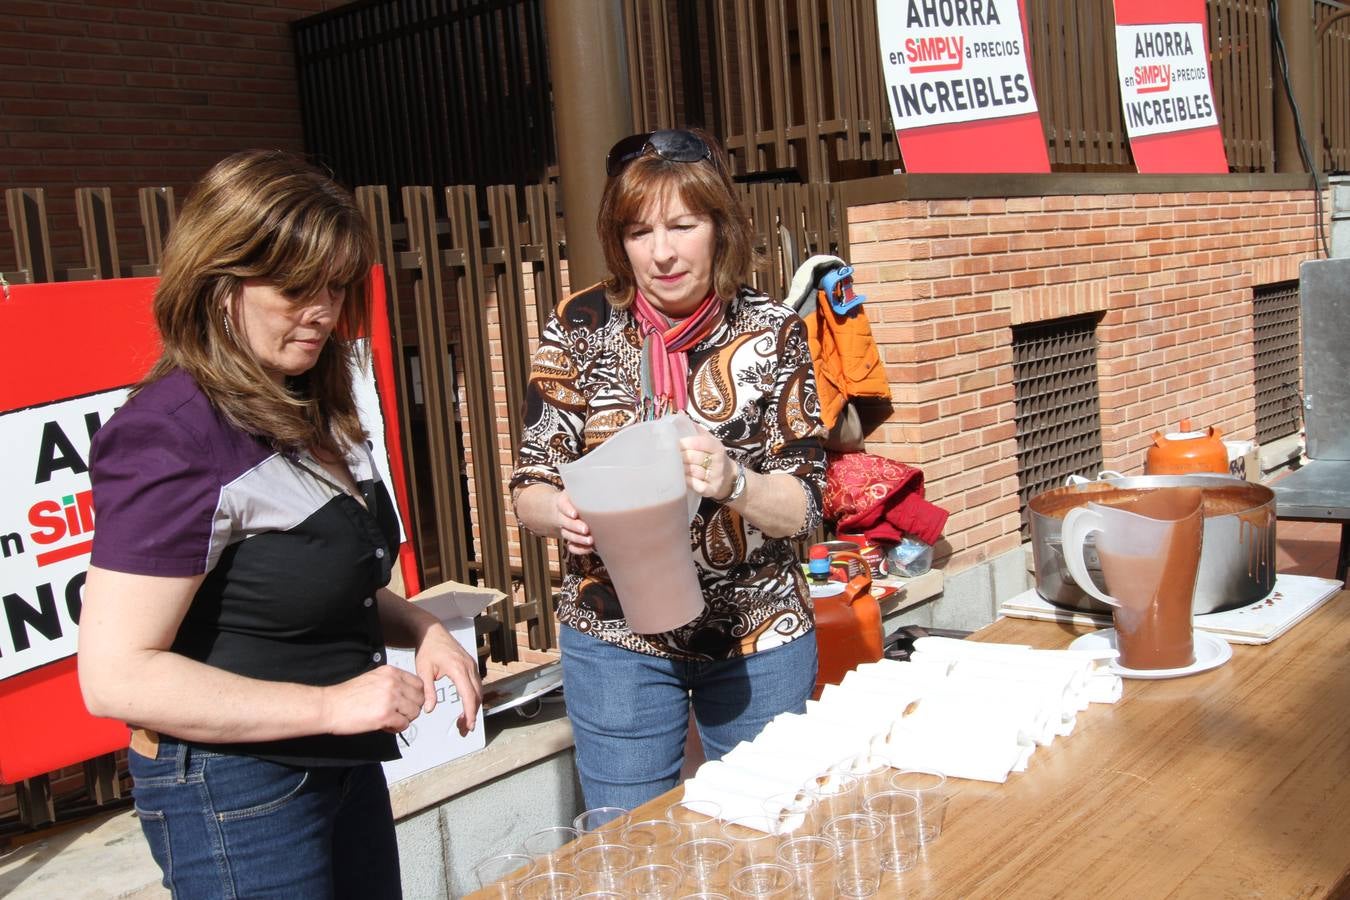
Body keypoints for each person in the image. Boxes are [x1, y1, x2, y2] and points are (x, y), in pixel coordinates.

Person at [77, 149, 482, 899]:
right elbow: (114, 676)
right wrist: (331, 705)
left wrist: (419, 627)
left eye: (335, 286)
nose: (322, 310)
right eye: (296, 286)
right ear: (219, 282)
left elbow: (316, 581)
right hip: (237, 793)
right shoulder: (170, 433)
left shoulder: (307, 400)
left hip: (339, 765)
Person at [511, 129, 827, 810]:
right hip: (615, 632)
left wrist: (734, 481)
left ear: (720, 226)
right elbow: (531, 483)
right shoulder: (579, 327)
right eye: (637, 231)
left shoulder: (772, 331)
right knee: (629, 840)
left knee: (765, 827)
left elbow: (806, 505)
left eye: (682, 225)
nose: (660, 252)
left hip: (756, 627)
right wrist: (559, 512)